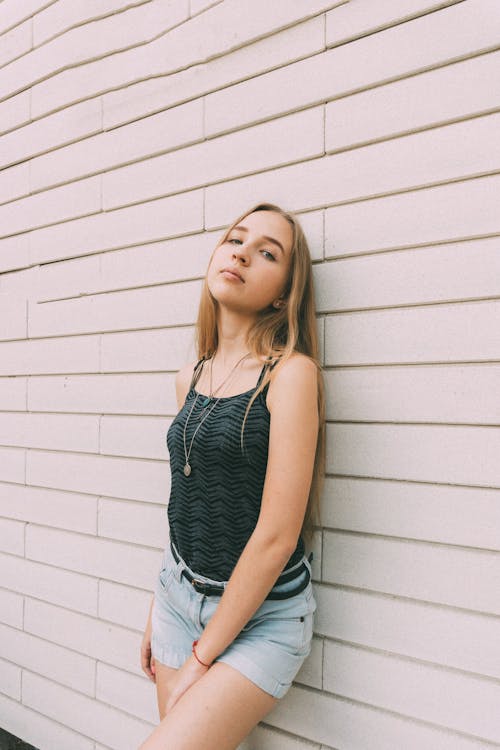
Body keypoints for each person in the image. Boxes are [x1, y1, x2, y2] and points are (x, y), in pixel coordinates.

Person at [138, 202, 326, 750]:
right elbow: (185, 499)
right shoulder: (190, 376)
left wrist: (202, 658)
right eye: (235, 240)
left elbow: (275, 537)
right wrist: (159, 606)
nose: (241, 252)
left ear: (283, 294)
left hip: (263, 615)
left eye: (267, 252)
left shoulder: (291, 375)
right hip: (179, 595)